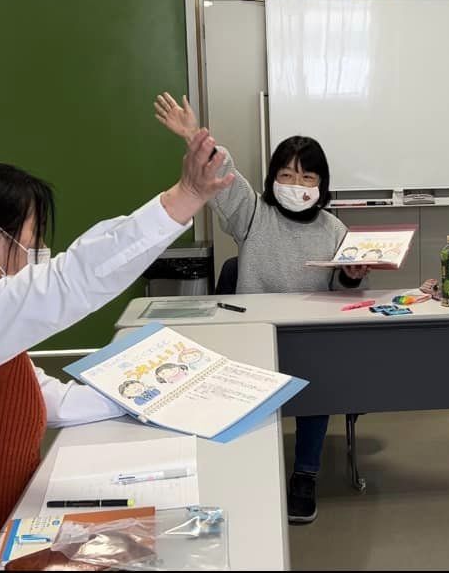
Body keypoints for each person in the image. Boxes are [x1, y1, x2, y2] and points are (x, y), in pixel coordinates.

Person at [0, 129, 233, 570]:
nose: (39, 254)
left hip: (6, 531)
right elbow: (73, 279)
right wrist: (186, 196)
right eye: (34, 241)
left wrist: (147, 395)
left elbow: (43, 397)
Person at [154, 93, 369, 525]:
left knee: (320, 383)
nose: (296, 183)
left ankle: (304, 475)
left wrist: (352, 275)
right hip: (253, 334)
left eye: (307, 176)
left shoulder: (336, 229)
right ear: (272, 179)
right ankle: (242, 469)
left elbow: (347, 293)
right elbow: (224, 173)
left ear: (321, 184)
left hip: (308, 338)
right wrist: (195, 137)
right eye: (287, 174)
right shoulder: (252, 213)